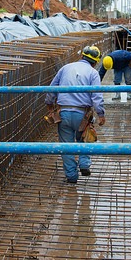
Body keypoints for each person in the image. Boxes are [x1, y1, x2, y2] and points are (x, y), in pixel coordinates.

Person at [45, 45, 106, 184]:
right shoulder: (93, 73)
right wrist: (101, 114)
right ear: (95, 62)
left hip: (64, 112)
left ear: (82, 56)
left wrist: (49, 104)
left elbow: (52, 88)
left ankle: (72, 176)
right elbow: (96, 96)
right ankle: (84, 164)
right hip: (82, 115)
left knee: (66, 146)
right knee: (84, 138)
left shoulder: (65, 68)